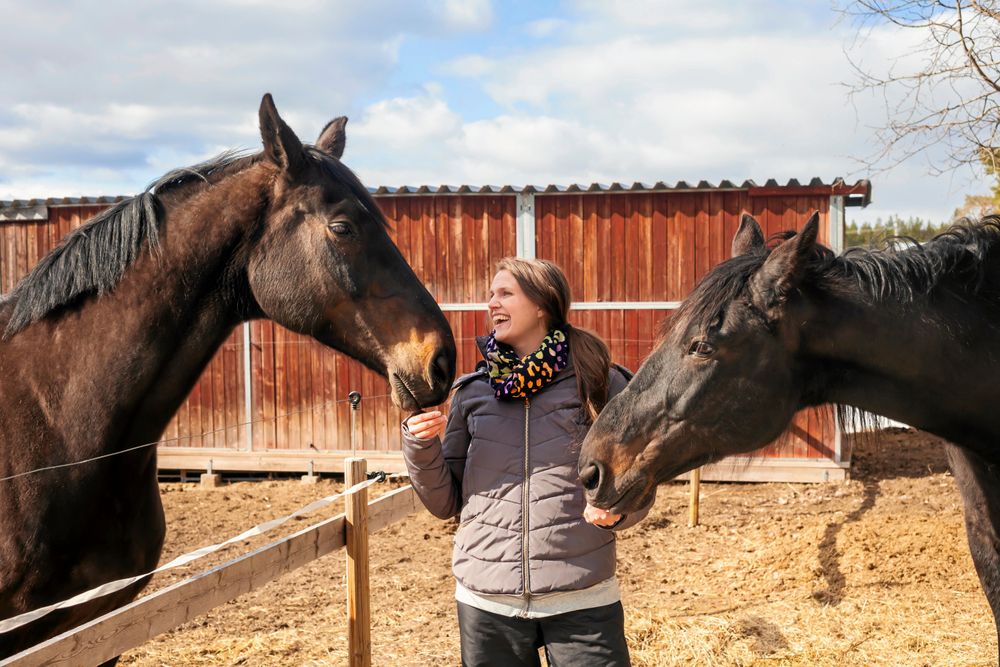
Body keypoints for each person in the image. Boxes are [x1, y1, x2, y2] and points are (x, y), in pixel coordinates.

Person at [402, 257, 652, 667]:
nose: (490, 304)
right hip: (487, 602)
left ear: (541, 305)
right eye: (490, 295)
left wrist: (620, 512)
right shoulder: (473, 392)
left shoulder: (600, 381)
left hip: (582, 597)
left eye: (505, 293)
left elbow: (639, 479)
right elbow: (443, 502)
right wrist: (419, 444)